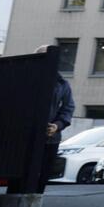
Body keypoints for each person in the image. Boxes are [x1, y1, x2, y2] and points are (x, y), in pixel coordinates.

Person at [36, 44, 75, 193]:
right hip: (26, 136)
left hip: (51, 138)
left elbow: (68, 108)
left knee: (43, 176)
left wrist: (57, 125)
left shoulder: (62, 83)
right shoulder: (27, 77)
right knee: (23, 175)